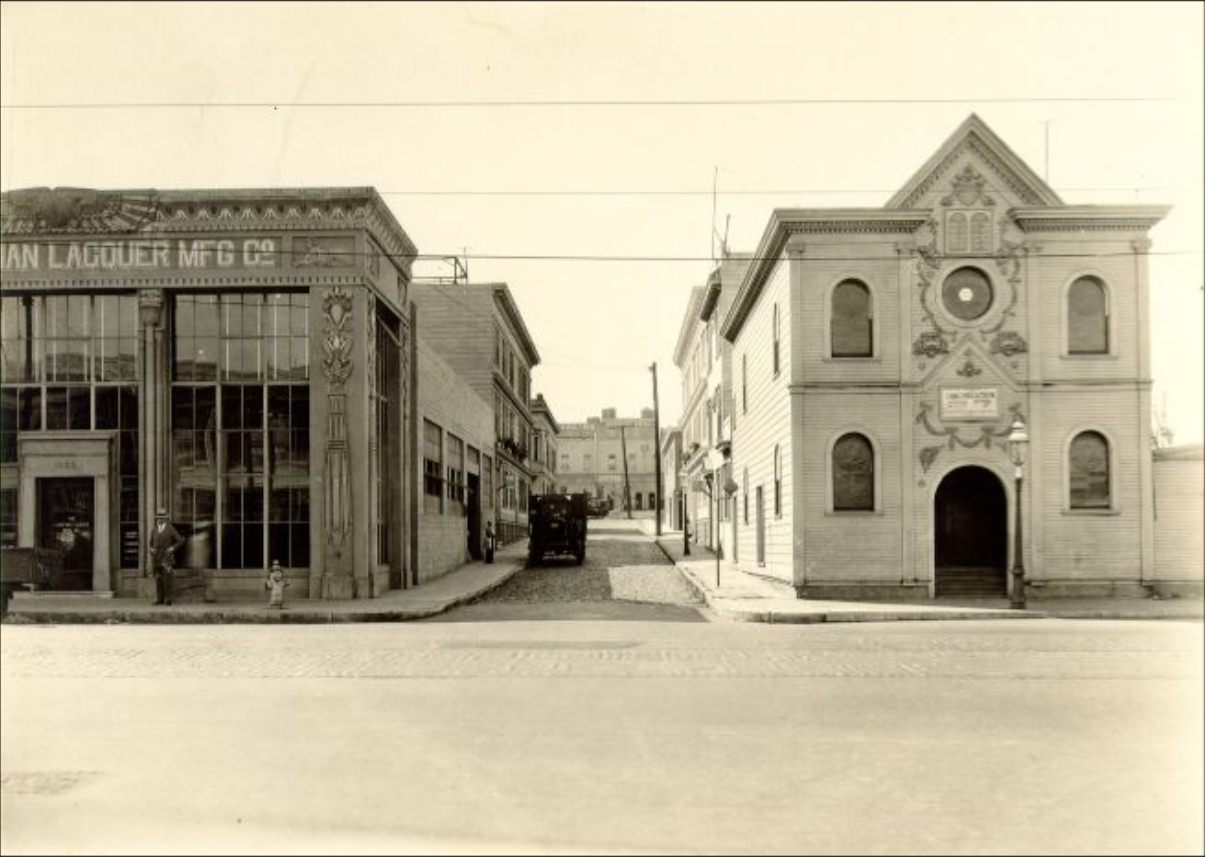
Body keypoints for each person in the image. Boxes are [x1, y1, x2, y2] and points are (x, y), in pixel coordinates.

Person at [148, 507, 184, 606]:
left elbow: (180, 540)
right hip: (156, 559)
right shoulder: (154, 529)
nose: (160, 519)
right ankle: (159, 599)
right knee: (158, 579)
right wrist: (151, 549)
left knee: (167, 579)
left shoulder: (170, 529)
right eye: (159, 517)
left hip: (167, 558)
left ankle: (168, 599)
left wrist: (172, 548)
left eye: (162, 517)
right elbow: (150, 543)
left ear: (166, 518)